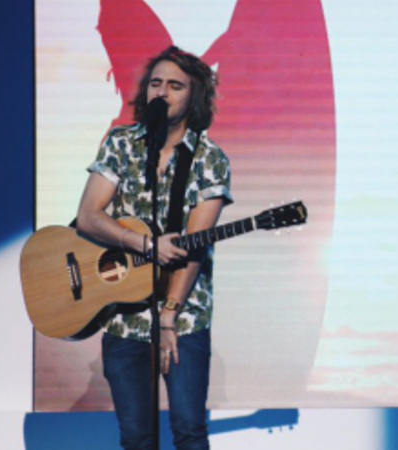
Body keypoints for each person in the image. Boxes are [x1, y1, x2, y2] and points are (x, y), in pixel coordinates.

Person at [76, 45, 230, 450]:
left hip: (184, 317)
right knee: (136, 438)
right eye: (156, 83)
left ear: (194, 96)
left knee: (189, 432)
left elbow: (195, 247)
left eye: (175, 85)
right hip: (123, 314)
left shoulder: (210, 160)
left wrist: (168, 317)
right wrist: (144, 244)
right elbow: (89, 215)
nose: (162, 92)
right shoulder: (122, 144)